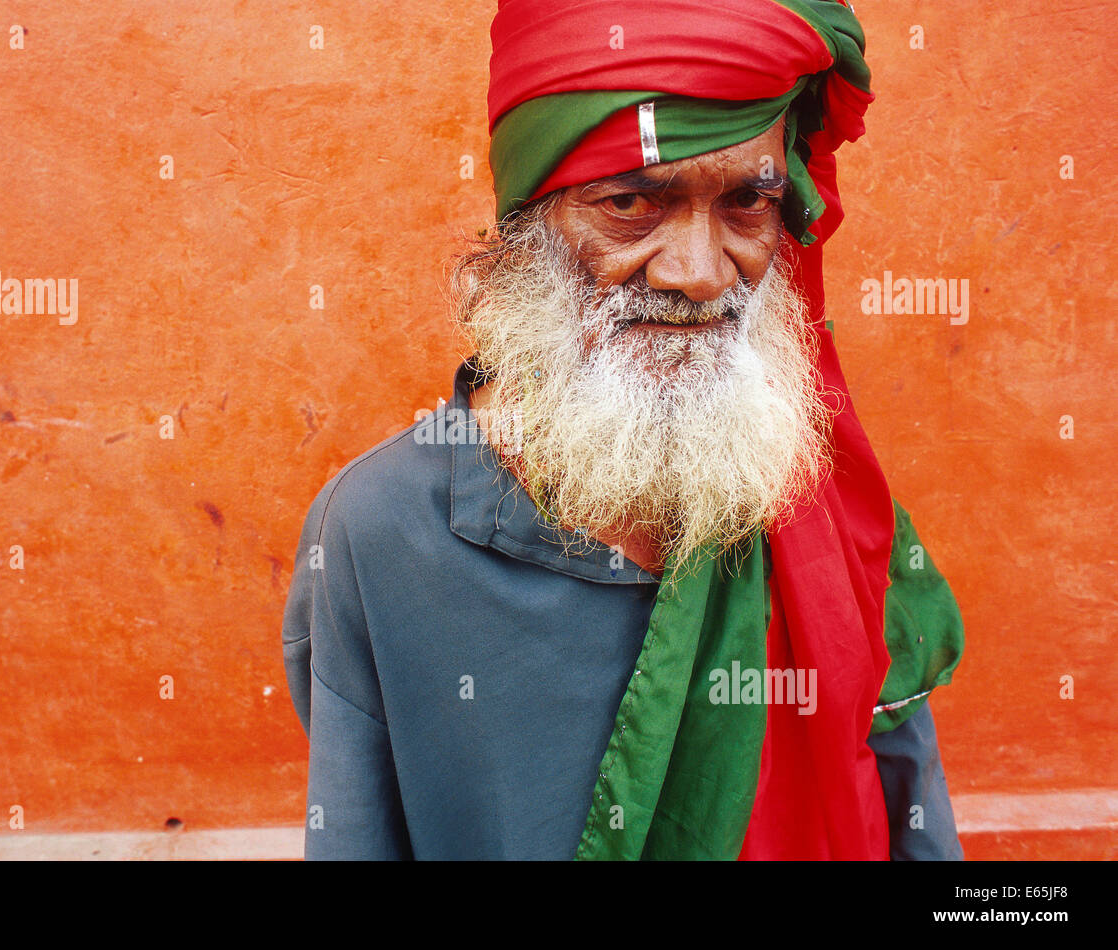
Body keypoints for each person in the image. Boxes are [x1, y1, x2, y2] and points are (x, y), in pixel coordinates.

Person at [282, 0, 964, 860]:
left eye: (749, 203)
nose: (699, 274)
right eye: (632, 202)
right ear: (528, 229)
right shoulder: (378, 529)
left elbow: (917, 826)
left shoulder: (824, 493)